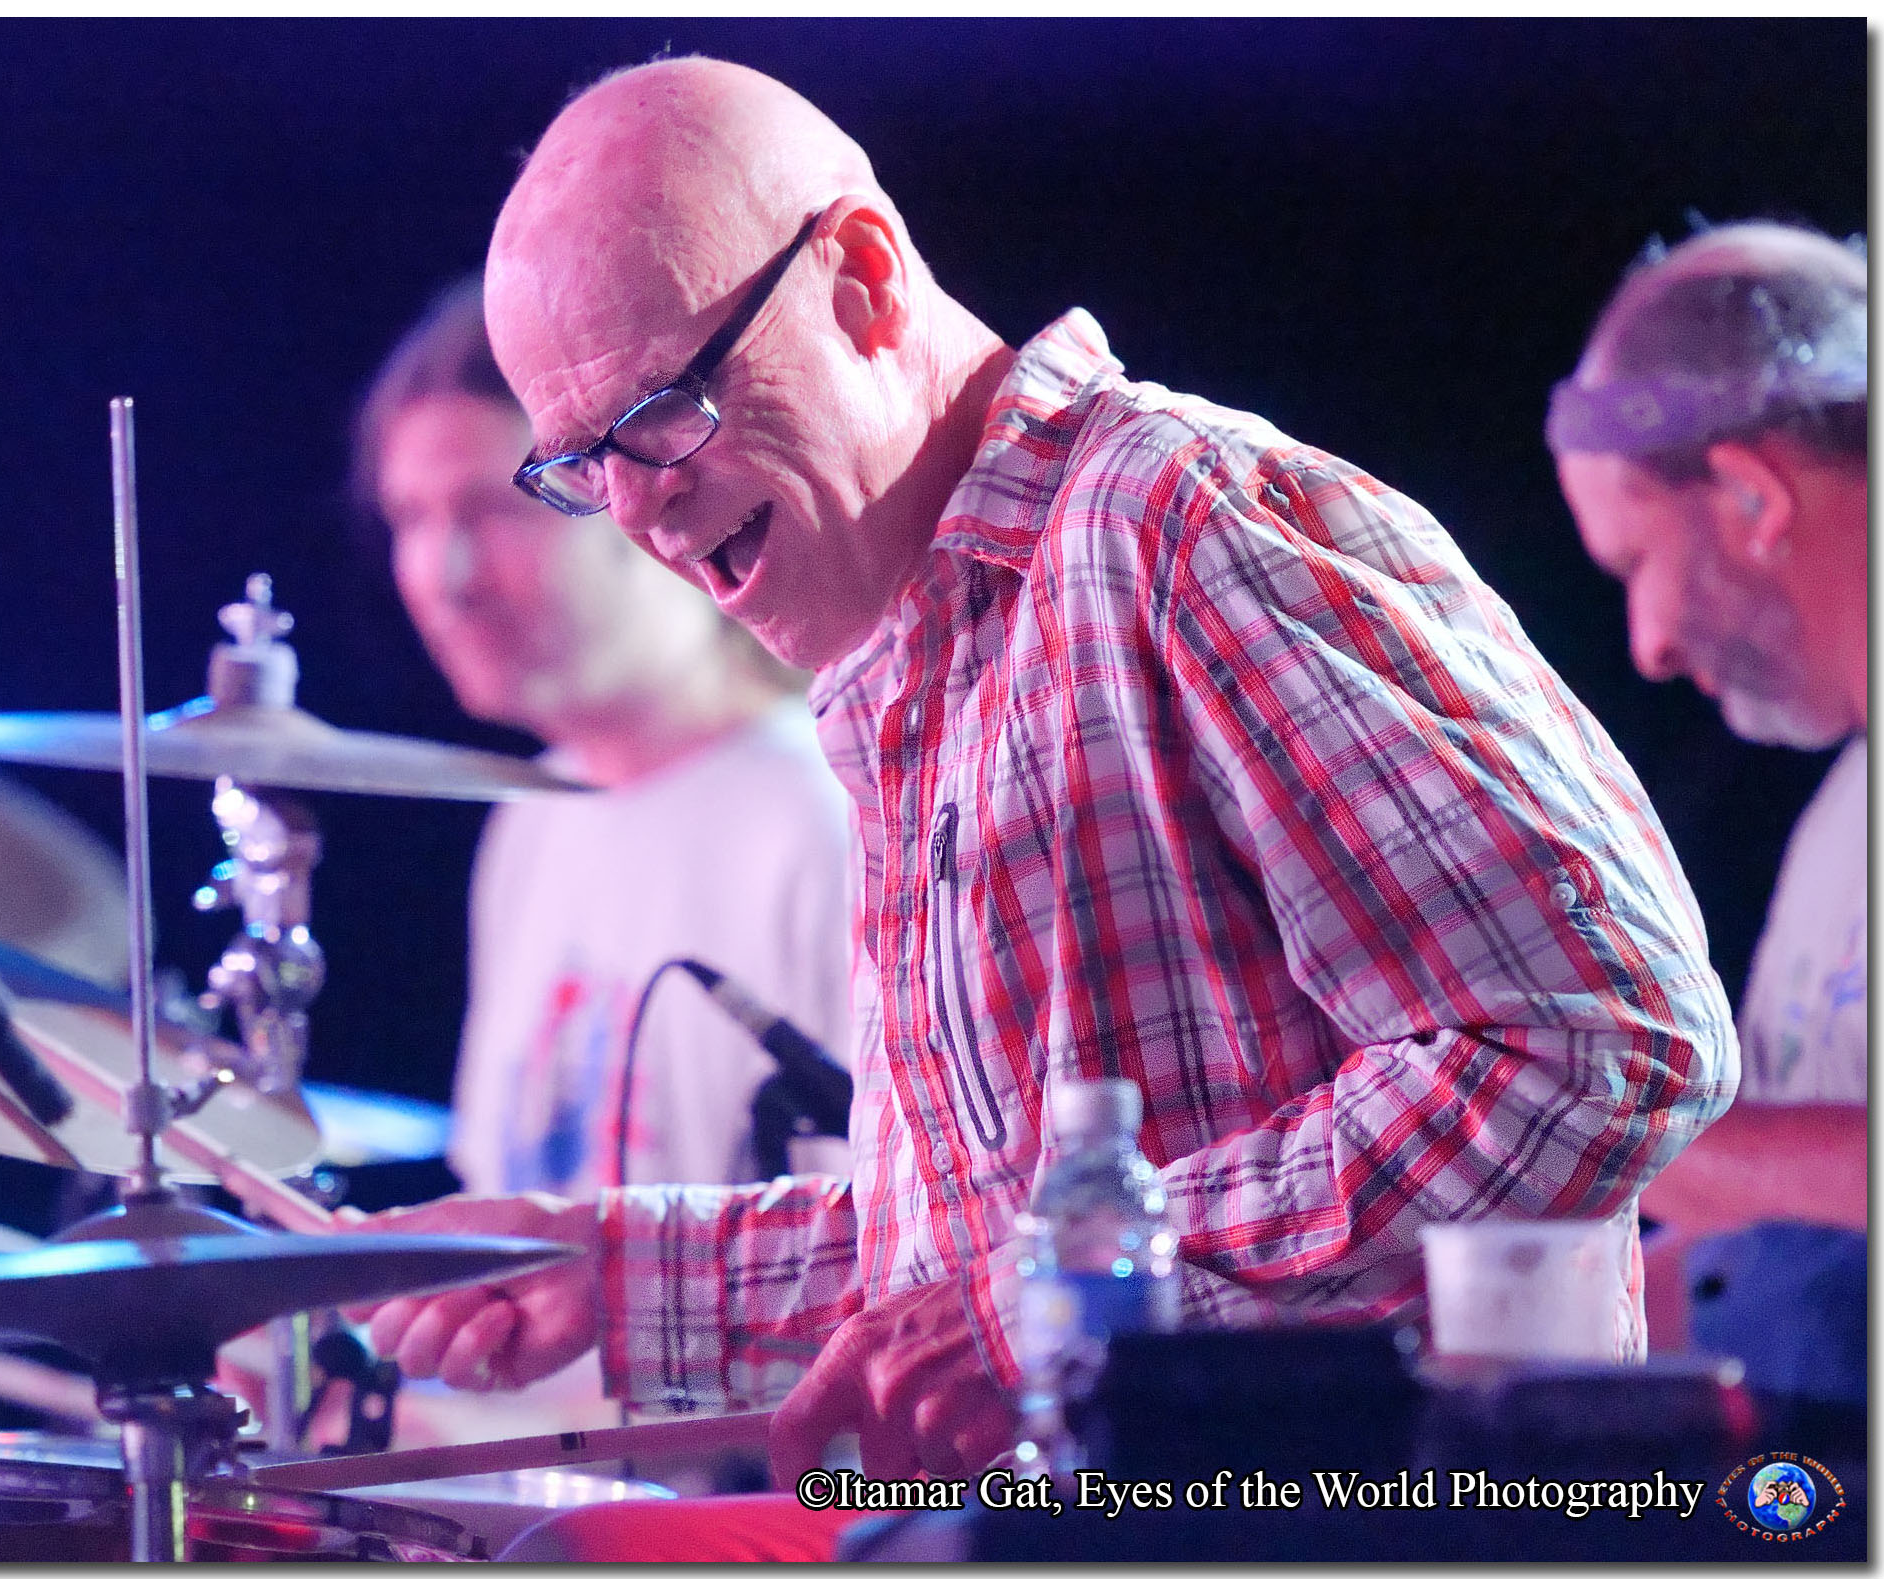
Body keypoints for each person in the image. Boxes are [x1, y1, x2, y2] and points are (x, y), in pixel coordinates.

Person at [354, 57, 1738, 1494]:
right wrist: (617, 1276)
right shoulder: (919, 660)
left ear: (864, 280)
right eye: (582, 465)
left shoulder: (1177, 522)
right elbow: (965, 1270)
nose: (639, 509)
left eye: (662, 412)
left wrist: (1053, 1300)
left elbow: (1606, 1038)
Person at [262, 280, 853, 1448]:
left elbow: (918, 1267)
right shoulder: (531, 820)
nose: (444, 575)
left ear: (649, 496)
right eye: (409, 518)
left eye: (492, 508)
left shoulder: (823, 815)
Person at [1547, 221, 1867, 1346]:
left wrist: (1590, 1126)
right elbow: (1792, 1252)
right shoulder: (1839, 820)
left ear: (1750, 496)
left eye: (1637, 562)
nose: (1648, 646)